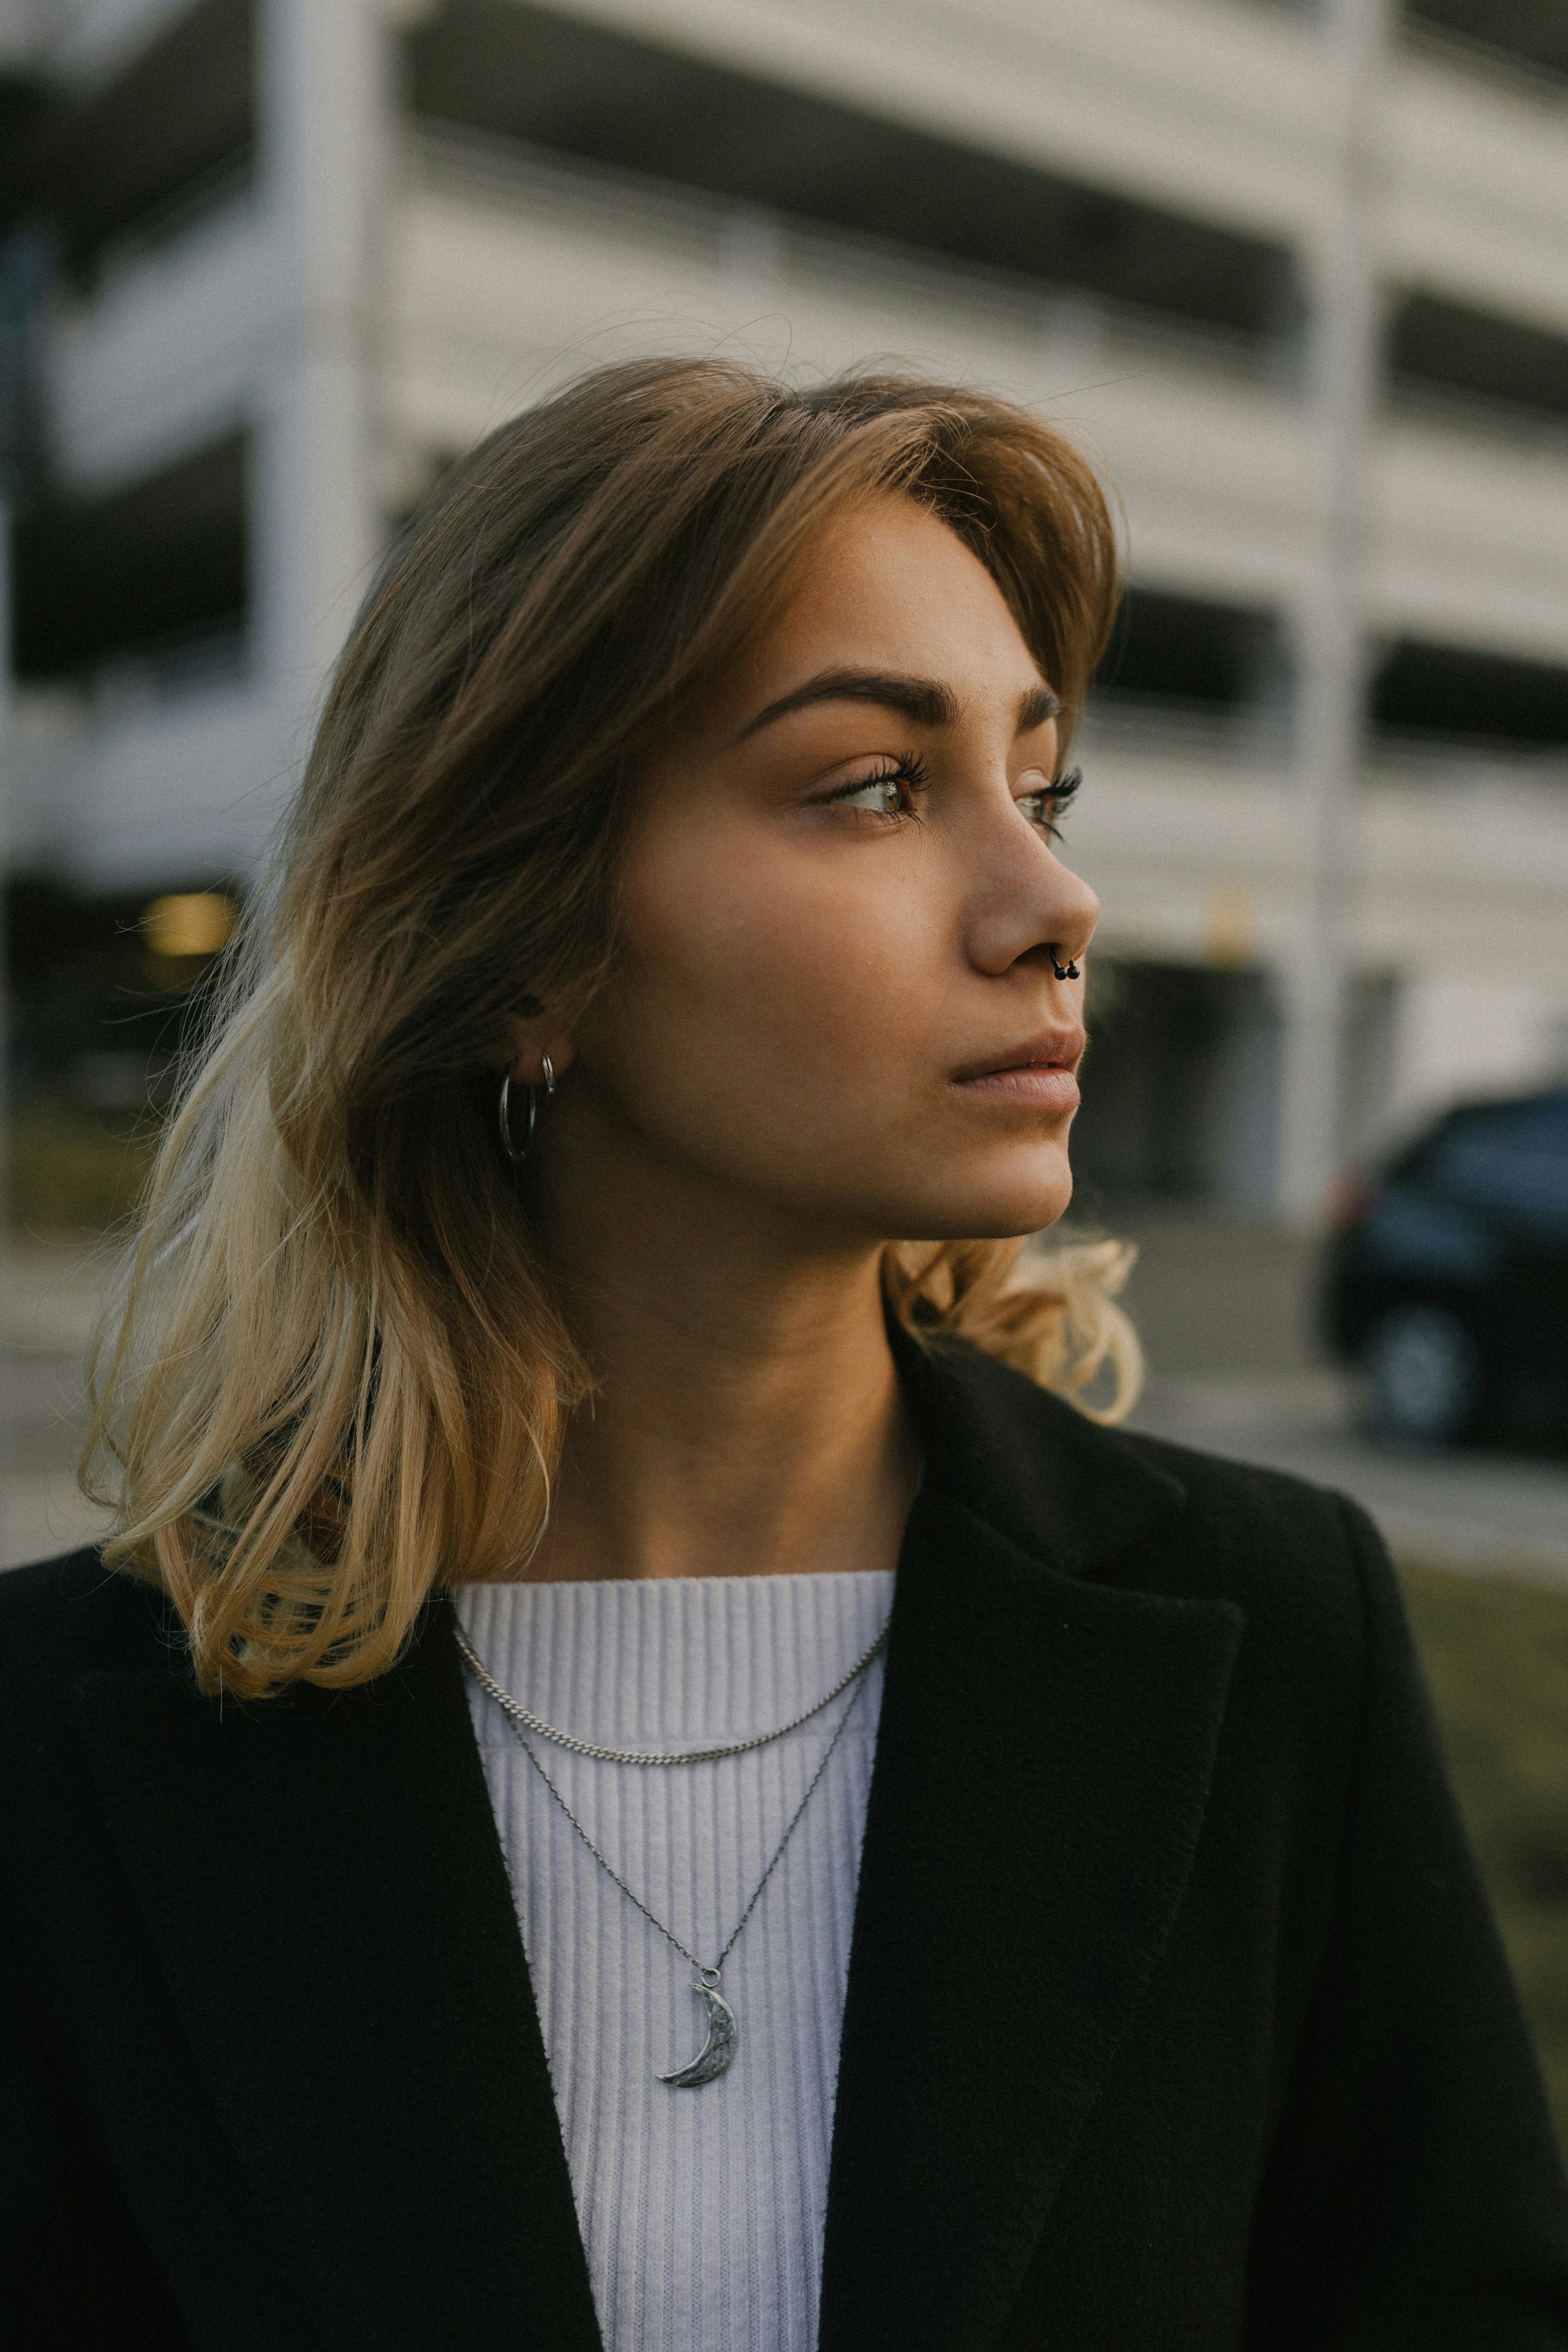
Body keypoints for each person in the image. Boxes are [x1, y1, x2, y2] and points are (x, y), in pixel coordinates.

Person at [2, 358, 1565, 2352]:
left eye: (1040, 781)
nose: (1055, 897)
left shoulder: (1276, 1631)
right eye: (878, 788)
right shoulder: (52, 1745)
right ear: (526, 944)